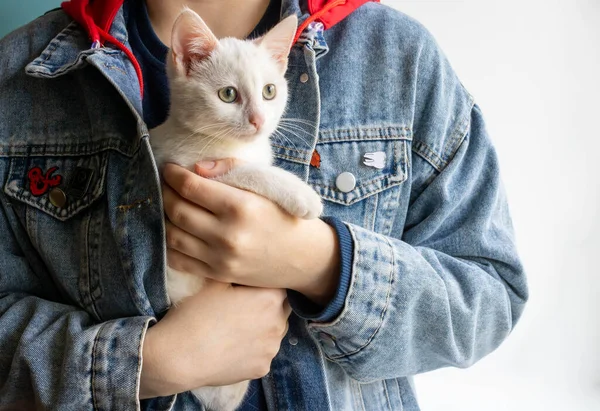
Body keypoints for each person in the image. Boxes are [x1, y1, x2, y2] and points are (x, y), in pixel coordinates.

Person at [0, 0, 529, 409]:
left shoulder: (397, 55)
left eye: (268, 97)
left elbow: (490, 298)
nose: (256, 118)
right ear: (185, 60)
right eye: (232, 98)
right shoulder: (20, 73)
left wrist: (322, 263)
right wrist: (146, 364)